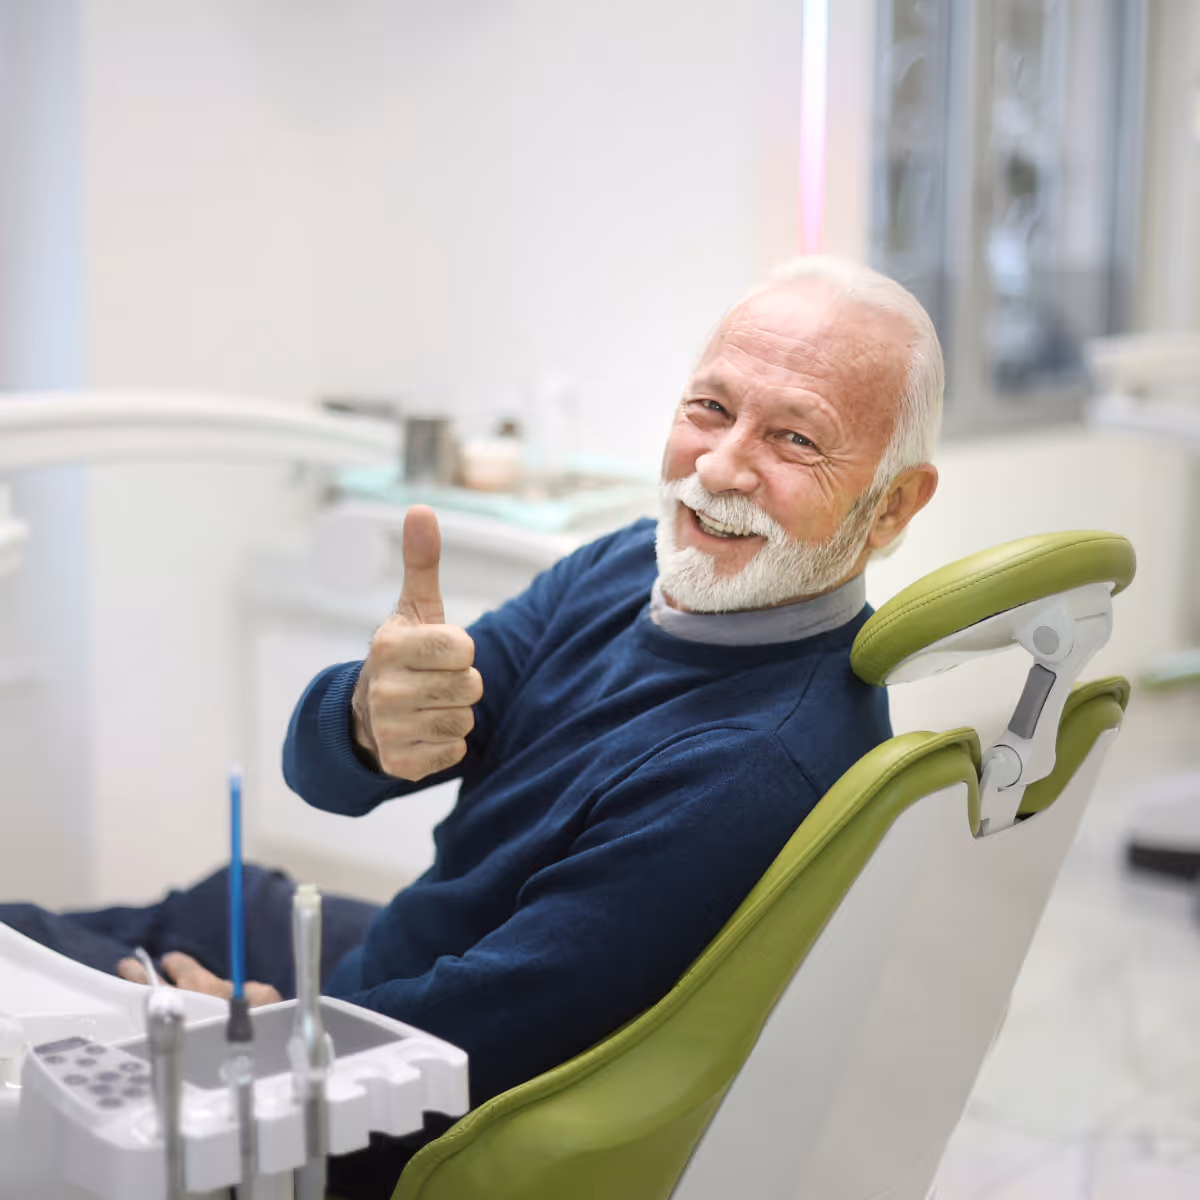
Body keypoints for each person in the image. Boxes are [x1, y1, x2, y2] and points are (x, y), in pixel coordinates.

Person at [0, 256, 941, 1195]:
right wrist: (368, 717)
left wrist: (270, 1030)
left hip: (392, 1095)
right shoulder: (626, 568)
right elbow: (330, 772)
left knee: (40, 1009)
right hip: (397, 969)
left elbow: (487, 1035)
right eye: (709, 408)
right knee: (123, 922)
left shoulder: (752, 764)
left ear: (893, 503)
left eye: (795, 439)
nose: (722, 465)